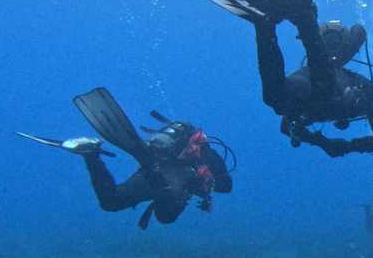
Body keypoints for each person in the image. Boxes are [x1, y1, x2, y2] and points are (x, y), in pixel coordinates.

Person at [192, 0, 373, 157]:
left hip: (307, 91)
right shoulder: (364, 86)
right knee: (312, 92)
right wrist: (340, 145)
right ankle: (302, 17)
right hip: (316, 90)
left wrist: (324, 143)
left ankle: (265, 26)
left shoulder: (364, 87)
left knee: (275, 100)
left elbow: (285, 127)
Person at [19, 87, 232, 228]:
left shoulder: (189, 151)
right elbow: (226, 186)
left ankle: (92, 155)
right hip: (171, 177)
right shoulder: (208, 155)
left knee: (112, 201)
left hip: (156, 163)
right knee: (166, 216)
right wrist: (204, 185)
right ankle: (155, 178)